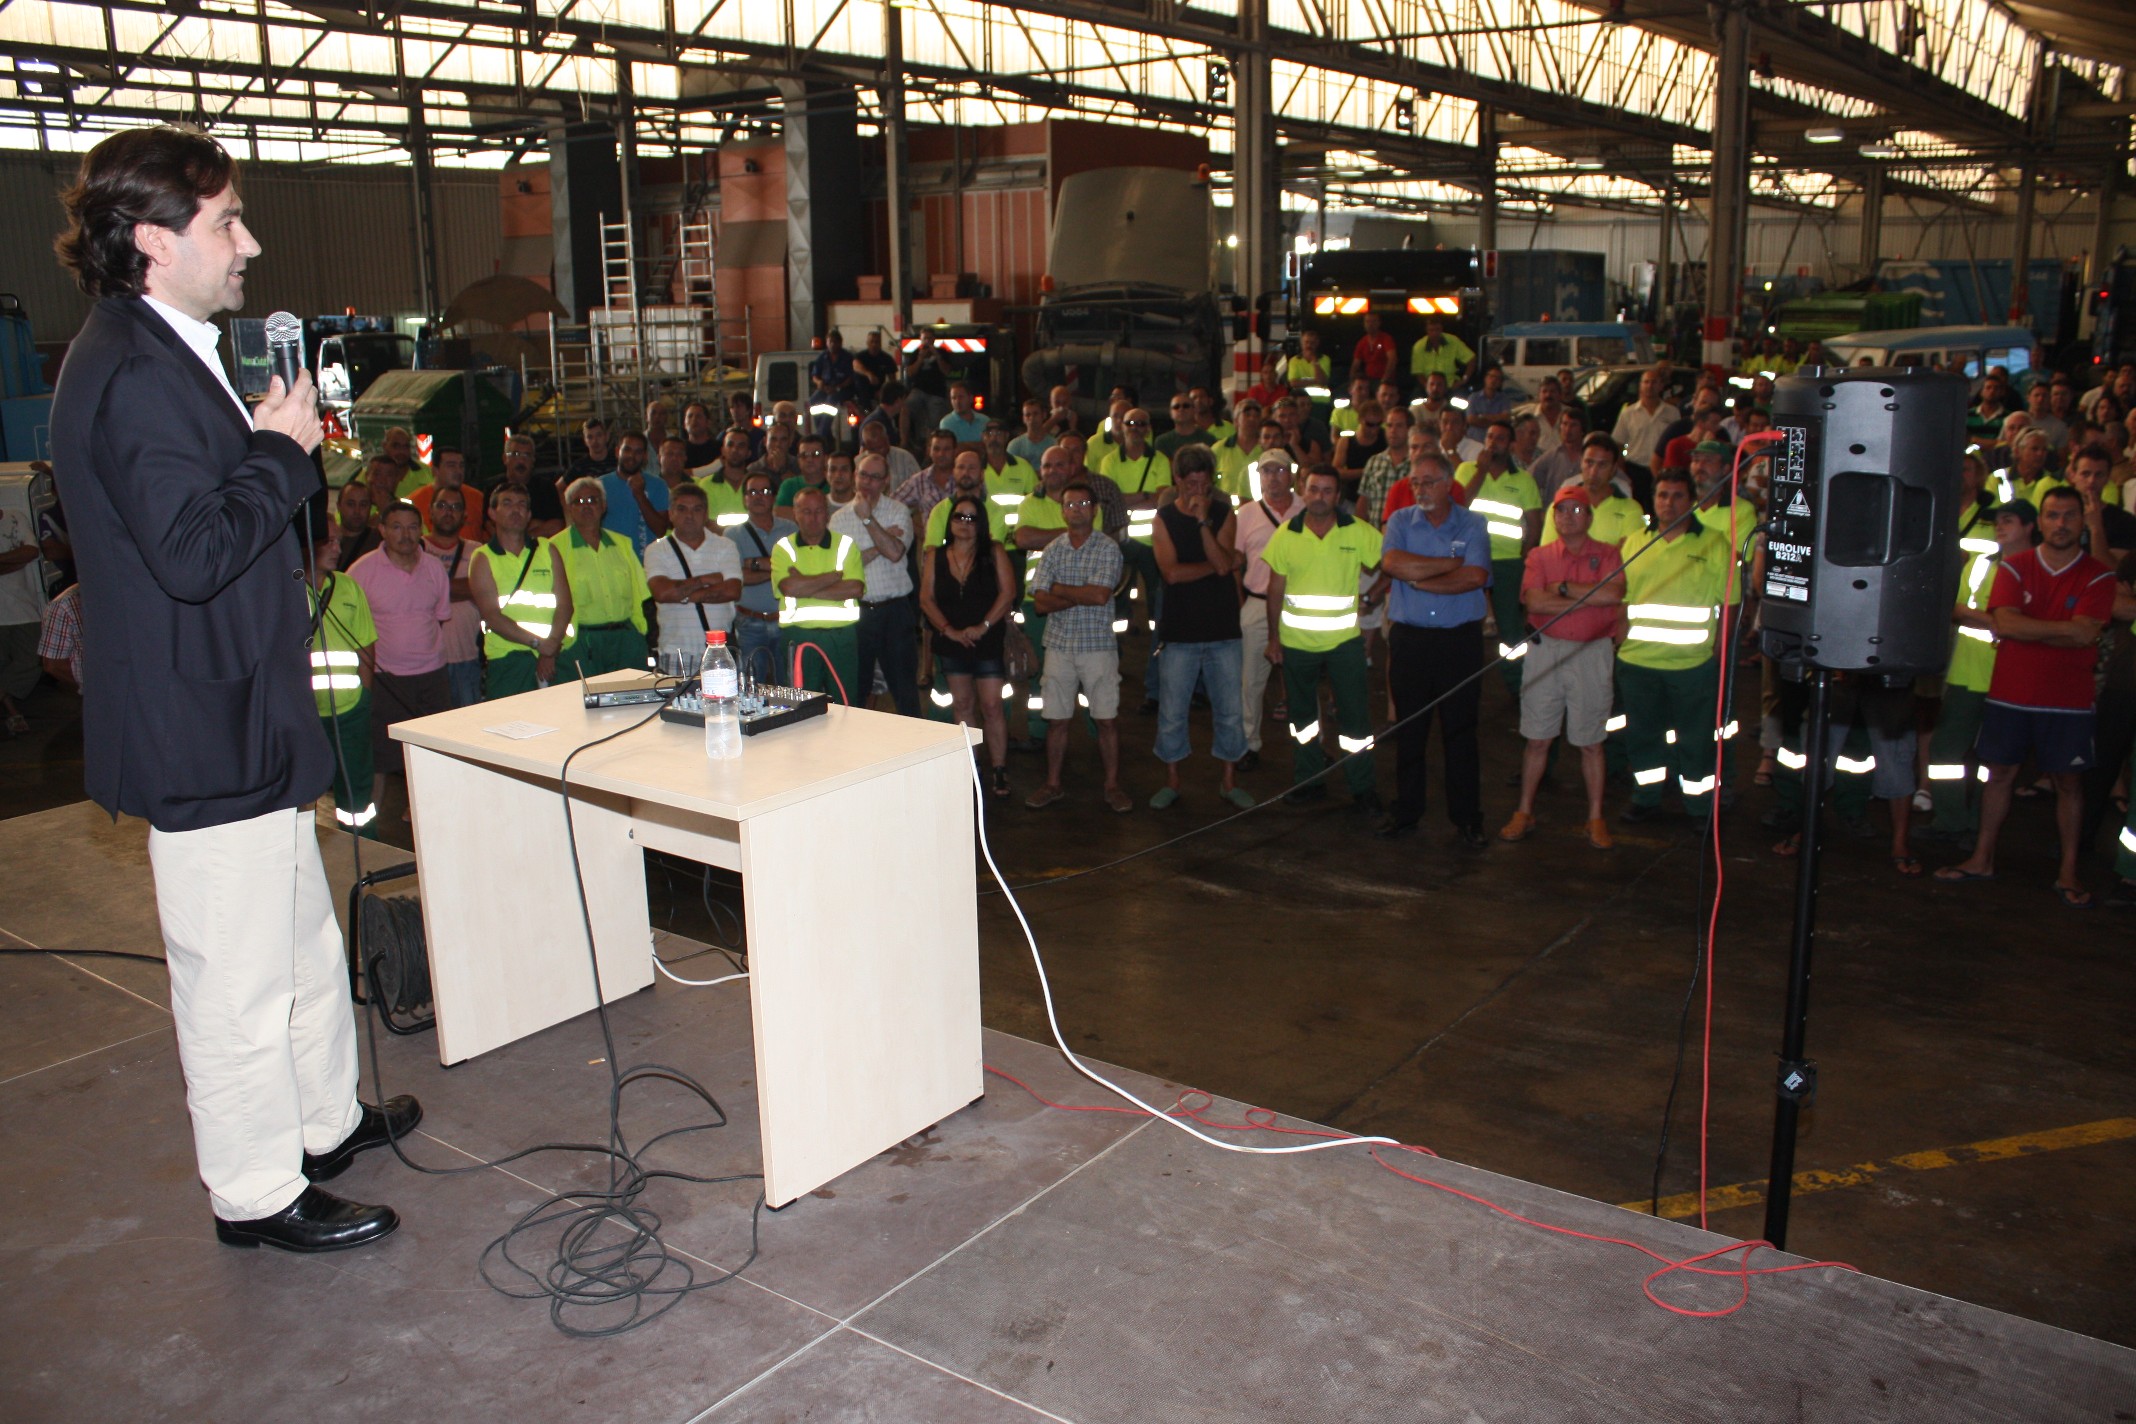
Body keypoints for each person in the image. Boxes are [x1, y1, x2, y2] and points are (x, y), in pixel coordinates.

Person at [51, 126, 416, 1251]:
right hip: (197, 726)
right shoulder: (129, 373)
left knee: (300, 940)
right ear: (155, 240)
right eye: (226, 222)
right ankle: (257, 1193)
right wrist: (278, 450)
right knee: (236, 981)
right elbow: (194, 552)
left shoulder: (175, 344)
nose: (249, 242)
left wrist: (275, 447)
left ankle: (320, 1121)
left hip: (246, 712)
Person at [1936, 487, 2116, 907]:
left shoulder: (2099, 575)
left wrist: (2026, 625)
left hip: (2068, 699)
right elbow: (2009, 624)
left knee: (2069, 784)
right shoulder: (2014, 567)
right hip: (2011, 693)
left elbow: (2085, 631)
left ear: (2080, 522)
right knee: (1999, 774)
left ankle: (2068, 871)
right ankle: (1982, 858)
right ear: (2043, 521)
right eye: (2053, 515)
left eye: (2070, 516)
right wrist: (2061, 629)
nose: (2061, 524)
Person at [1372, 452, 1490, 844]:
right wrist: (1447, 563)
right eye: (1415, 482)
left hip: (1459, 642)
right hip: (1411, 640)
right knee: (1410, 731)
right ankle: (1406, 810)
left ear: (1448, 485)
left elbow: (1475, 576)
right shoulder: (1401, 521)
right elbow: (1391, 563)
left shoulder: (1474, 523)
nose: (1419, 489)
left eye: (1427, 481)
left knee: (1460, 732)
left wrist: (1420, 578)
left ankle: (1467, 816)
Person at [1502, 483, 1626, 848]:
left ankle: (1595, 817)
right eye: (1560, 510)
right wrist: (1588, 596)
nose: (1566, 517)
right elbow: (1535, 604)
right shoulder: (1539, 556)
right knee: (1538, 737)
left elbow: (1614, 594)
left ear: (1589, 517)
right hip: (1546, 651)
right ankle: (1524, 810)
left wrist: (1562, 588)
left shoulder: (1607, 554)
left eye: (1575, 510)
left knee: (1591, 741)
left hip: (1592, 653)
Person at [1615, 469, 1741, 824]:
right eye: (1662, 495)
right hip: (1638, 662)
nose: (1668, 503)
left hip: (1692, 666)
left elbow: (1730, 604)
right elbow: (1620, 599)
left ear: (1692, 501)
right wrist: (1620, 640)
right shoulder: (1635, 542)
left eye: (1677, 496)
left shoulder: (1716, 544)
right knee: (1642, 737)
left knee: (1697, 741)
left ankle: (1700, 807)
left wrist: (1720, 651)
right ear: (1653, 500)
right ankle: (1646, 797)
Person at [1263, 465, 1384, 812]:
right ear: (1303, 490)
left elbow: (1388, 563)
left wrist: (1374, 594)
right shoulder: (1287, 534)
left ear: (1338, 496)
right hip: (1297, 643)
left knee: (1356, 720)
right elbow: (1275, 589)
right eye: (1313, 489)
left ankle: (1362, 787)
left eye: (1327, 491)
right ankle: (1309, 781)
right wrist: (1273, 639)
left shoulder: (1358, 531)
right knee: (1302, 720)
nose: (1319, 497)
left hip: (1344, 643)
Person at [1150, 448, 1253, 809]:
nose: (1198, 489)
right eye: (1190, 482)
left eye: (1204, 482)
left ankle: (1228, 780)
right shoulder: (1162, 519)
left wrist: (1203, 523)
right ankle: (1173, 781)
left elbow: (1223, 560)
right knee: (1173, 713)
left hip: (1223, 629)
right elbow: (1172, 574)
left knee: (1228, 710)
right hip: (1179, 631)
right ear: (1177, 480)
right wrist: (1219, 565)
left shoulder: (1224, 514)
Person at [1025, 480, 1130, 812]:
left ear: (1095, 510)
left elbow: (1100, 596)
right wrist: (1079, 592)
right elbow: (1040, 603)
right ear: (1062, 509)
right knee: (1056, 719)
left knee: (1106, 719)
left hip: (1098, 647)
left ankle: (1112, 785)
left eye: (1083, 504)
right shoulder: (1053, 549)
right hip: (1058, 646)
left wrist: (1058, 588)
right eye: (1070, 505)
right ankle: (1053, 784)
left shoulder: (1107, 548)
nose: (1076, 510)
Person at [349, 502, 452, 811]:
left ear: (421, 530)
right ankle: (370, 826)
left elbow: (440, 616)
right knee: (381, 756)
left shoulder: (434, 568)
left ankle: (425, 815)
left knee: (433, 751)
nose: (405, 535)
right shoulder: (362, 571)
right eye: (396, 527)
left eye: (411, 527)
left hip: (432, 675)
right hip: (385, 678)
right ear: (382, 530)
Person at [920, 492, 1018, 793]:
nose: (964, 523)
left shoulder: (995, 551)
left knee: (991, 705)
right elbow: (926, 598)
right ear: (949, 523)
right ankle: (971, 766)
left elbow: (1008, 593)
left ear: (982, 524)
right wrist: (948, 630)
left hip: (986, 640)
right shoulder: (935, 555)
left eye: (972, 518)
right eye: (959, 517)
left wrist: (983, 625)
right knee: (962, 704)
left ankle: (999, 769)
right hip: (951, 642)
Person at [1456, 417, 1544, 696]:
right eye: (1490, 437)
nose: (1494, 443)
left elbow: (1534, 521)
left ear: (1512, 445)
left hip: (1507, 562)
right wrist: (1480, 471)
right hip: (1470, 559)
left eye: (1501, 439)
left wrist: (1525, 552)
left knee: (1510, 627)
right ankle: (1463, 685)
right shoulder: (1466, 470)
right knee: (1466, 625)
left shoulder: (1524, 480)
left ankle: (1518, 685)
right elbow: (1459, 505)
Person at [304, 523, 378, 835]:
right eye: (328, 541)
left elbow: (366, 647)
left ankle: (363, 846)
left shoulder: (349, 587)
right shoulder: (283, 588)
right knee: (302, 791)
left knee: (356, 794)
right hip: (304, 715)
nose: (337, 548)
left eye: (338, 542)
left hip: (349, 712)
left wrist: (363, 700)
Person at [831, 452, 919, 716]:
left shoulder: (899, 511)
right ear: (856, 476)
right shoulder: (838, 520)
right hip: (856, 613)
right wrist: (881, 540)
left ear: (886, 481)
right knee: (855, 692)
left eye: (875, 477)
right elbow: (842, 571)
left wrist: (869, 520)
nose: (868, 482)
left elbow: (895, 552)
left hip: (895, 612)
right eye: (863, 475)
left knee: (905, 691)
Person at [467, 482, 571, 699]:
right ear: (492, 513)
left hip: (556, 654)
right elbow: (492, 616)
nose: (516, 509)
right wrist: (539, 645)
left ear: (529, 514)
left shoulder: (547, 549)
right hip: (508, 659)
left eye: (522, 504)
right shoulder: (483, 558)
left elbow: (565, 605)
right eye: (507, 503)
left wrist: (550, 648)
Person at [1233, 451, 1300, 772]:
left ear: (1291, 475)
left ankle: (1309, 746)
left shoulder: (1307, 509)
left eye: (1280, 470)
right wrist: (1240, 602)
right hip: (1257, 603)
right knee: (1251, 681)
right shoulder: (1246, 514)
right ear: (1258, 476)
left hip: (1300, 607)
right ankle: (1249, 743)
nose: (1273, 477)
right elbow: (1234, 561)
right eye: (1266, 471)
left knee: (1303, 679)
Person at [550, 476, 650, 679]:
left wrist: (638, 635)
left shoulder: (622, 544)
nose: (586, 507)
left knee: (632, 704)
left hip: (625, 639)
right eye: (578, 502)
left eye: (592, 500)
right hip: (580, 642)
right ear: (569, 508)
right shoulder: (554, 548)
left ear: (603, 506)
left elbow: (640, 594)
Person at [773, 487, 865, 699]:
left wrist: (804, 585)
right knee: (803, 704)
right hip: (798, 636)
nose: (813, 518)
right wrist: (833, 577)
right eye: (806, 511)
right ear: (795, 514)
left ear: (827, 513)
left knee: (846, 703)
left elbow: (855, 589)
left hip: (842, 637)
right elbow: (788, 588)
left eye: (818, 511)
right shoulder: (783, 548)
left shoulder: (846, 545)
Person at [642, 481, 742, 672]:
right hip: (675, 651)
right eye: (682, 509)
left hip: (720, 651)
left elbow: (732, 590)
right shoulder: (656, 550)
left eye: (697, 509)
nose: (689, 515)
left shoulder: (725, 545)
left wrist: (683, 595)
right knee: (675, 703)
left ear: (705, 515)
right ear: (671, 513)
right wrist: (705, 580)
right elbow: (662, 593)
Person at [723, 472, 796, 683]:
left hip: (785, 620)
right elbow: (739, 577)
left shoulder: (790, 529)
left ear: (773, 497)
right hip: (749, 623)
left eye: (765, 491)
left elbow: (796, 571)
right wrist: (777, 570)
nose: (758, 496)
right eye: (752, 491)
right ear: (744, 498)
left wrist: (754, 563)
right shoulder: (732, 534)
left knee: (790, 685)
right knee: (751, 685)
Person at [420, 485, 484, 707]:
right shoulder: (416, 548)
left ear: (465, 516)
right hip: (425, 662)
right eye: (442, 506)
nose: (449, 512)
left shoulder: (478, 551)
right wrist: (463, 588)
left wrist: (432, 589)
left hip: (467, 658)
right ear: (430, 511)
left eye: (456, 507)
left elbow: (480, 589)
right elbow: (413, 590)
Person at [0, 491, 41, 734]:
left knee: (34, 659)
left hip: (24, 609)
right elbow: (23, 555)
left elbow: (31, 552)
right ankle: (13, 714)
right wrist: (14, 560)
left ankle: (7, 702)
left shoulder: (15, 517)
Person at [1612, 365, 1680, 495]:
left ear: (1661, 386)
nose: (1649, 386)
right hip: (1634, 471)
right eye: (1646, 382)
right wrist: (1623, 473)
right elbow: (1618, 445)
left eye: (1654, 382)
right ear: (1640, 385)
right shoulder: (1628, 413)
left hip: (1663, 471)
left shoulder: (1672, 412)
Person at [600, 429, 670, 556]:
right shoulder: (600, 485)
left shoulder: (658, 485)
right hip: (611, 561)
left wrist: (640, 495)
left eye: (638, 452)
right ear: (617, 452)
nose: (631, 456)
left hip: (646, 564)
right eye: (627, 450)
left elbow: (660, 530)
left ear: (645, 456)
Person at [409, 445, 484, 541]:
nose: (458, 471)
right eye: (451, 465)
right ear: (435, 471)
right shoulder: (414, 502)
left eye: (461, 466)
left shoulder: (478, 498)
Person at [498, 431, 565, 539]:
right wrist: (537, 526)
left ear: (533, 460)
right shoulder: (494, 488)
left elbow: (557, 526)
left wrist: (523, 538)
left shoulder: (546, 488)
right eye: (515, 454)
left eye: (527, 455)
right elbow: (490, 529)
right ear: (505, 458)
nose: (521, 460)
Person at [697, 426, 758, 531]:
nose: (735, 450)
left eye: (741, 446)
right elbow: (704, 524)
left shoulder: (758, 486)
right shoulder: (705, 485)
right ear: (722, 451)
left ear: (749, 453)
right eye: (730, 445)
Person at [1408, 314, 1476, 390]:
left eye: (1437, 330)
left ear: (1441, 329)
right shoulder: (1419, 346)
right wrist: (1428, 387)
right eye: (1431, 330)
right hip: (1428, 386)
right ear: (1426, 330)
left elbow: (1471, 359)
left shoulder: (1453, 341)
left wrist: (1464, 379)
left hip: (1450, 386)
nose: (1434, 333)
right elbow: (1418, 372)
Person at [774, 432, 832, 517]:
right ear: (798, 459)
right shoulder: (788, 485)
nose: (809, 459)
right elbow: (779, 513)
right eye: (804, 455)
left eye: (815, 454)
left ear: (826, 458)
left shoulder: (833, 485)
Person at [377, 425, 429, 499]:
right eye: (396, 446)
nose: (401, 451)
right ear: (384, 446)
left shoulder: (427, 472)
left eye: (406, 446)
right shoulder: (370, 474)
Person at [1352, 310, 1397, 387]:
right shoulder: (1362, 342)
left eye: (1373, 321)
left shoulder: (1386, 339)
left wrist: (1384, 379)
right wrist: (1352, 381)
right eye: (1367, 321)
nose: (1370, 324)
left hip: (1385, 380)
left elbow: (1392, 359)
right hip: (1368, 380)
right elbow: (1356, 364)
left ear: (1379, 323)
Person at [938, 379, 988, 444]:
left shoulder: (984, 421)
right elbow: (950, 449)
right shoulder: (946, 423)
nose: (957, 402)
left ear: (971, 398)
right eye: (954, 398)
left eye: (961, 397)